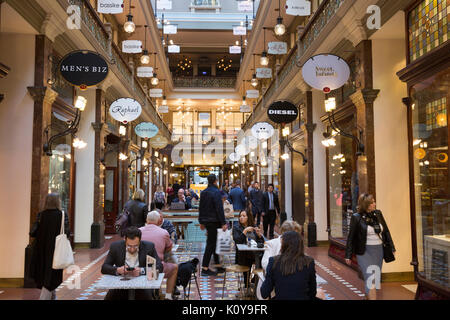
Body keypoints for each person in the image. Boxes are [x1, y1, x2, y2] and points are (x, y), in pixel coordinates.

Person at [345, 193, 395, 300]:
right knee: (370, 280)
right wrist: (348, 255)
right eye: (372, 202)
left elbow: (386, 232)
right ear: (366, 204)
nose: (374, 204)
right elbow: (351, 237)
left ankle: (367, 297)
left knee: (374, 282)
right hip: (364, 252)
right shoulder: (356, 217)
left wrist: (392, 247)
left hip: (378, 251)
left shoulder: (378, 214)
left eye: (374, 201)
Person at [101, 226, 163, 300]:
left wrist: (141, 271)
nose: (132, 249)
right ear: (125, 240)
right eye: (129, 246)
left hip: (143, 284)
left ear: (140, 241)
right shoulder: (116, 247)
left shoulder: (149, 247)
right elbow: (104, 268)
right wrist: (117, 270)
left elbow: (160, 267)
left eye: (135, 246)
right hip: (120, 283)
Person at [30, 193, 70, 300]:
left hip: (41, 251)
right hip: (56, 251)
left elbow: (33, 233)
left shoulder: (41, 215)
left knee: (46, 278)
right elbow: (67, 232)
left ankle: (53, 297)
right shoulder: (62, 215)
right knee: (51, 279)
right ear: (58, 202)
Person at [260, 231, 317, 300]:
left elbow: (264, 293)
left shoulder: (273, 261)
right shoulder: (309, 262)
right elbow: (313, 292)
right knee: (321, 294)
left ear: (283, 244)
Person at [140, 211, 179, 300]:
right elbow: (169, 248)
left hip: (140, 266)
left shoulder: (138, 231)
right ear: (158, 221)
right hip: (155, 267)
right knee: (174, 267)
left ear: (146, 220)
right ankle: (168, 296)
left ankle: (157, 290)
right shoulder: (164, 232)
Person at [198, 174, 228, 276]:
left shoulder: (204, 192)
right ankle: (205, 268)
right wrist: (223, 222)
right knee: (211, 244)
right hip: (215, 221)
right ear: (215, 181)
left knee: (214, 243)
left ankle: (218, 265)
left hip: (207, 221)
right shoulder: (216, 192)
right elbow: (219, 208)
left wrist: (201, 222)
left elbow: (201, 208)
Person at [232, 210, 264, 291]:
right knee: (248, 259)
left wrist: (259, 235)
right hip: (243, 255)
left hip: (255, 254)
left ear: (248, 217)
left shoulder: (254, 227)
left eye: (244, 216)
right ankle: (247, 284)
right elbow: (237, 241)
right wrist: (245, 231)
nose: (241, 218)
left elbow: (261, 243)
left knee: (263, 257)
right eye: (240, 216)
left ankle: (255, 280)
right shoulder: (236, 227)